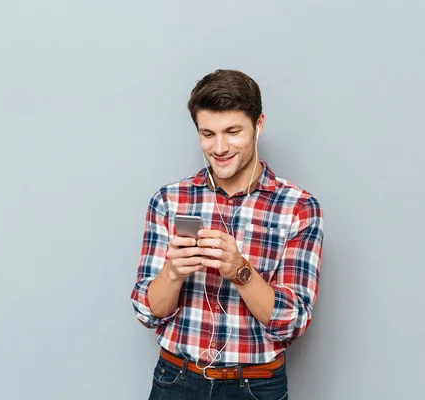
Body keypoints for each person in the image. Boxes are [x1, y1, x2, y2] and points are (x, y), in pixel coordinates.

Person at [130, 69, 324, 400]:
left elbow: (292, 323)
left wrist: (240, 272)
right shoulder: (169, 200)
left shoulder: (299, 208)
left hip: (256, 385)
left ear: (258, 125)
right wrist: (173, 273)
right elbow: (148, 313)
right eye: (208, 134)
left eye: (233, 131)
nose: (219, 147)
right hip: (177, 379)